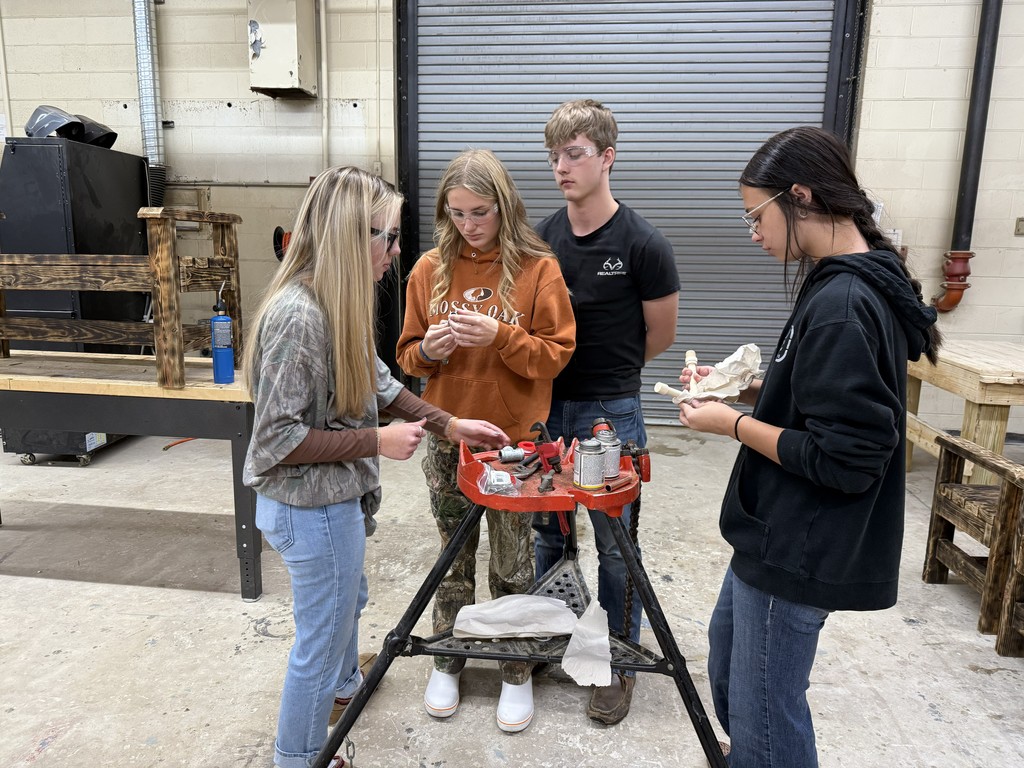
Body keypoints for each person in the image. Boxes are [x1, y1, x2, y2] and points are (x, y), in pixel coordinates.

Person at [676, 126, 941, 767]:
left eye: (757, 216)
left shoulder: (844, 301)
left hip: (800, 543)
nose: (754, 234)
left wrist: (728, 425)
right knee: (733, 672)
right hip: (771, 532)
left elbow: (846, 458)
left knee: (767, 720)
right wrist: (748, 391)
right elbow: (824, 393)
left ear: (800, 196)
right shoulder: (836, 281)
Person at [243, 166, 509, 768]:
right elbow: (277, 439)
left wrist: (450, 424)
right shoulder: (299, 317)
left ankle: (342, 687)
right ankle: (300, 756)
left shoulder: (339, 302)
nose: (395, 250)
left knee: (348, 602)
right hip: (308, 507)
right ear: (345, 234)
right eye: (386, 237)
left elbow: (383, 384)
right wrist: (375, 442)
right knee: (320, 639)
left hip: (332, 502)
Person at [396, 148, 575, 733]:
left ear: (504, 207)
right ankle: (448, 658)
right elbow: (404, 355)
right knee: (452, 560)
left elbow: (557, 355)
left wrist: (502, 335)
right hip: (449, 435)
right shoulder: (428, 268)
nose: (467, 226)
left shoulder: (537, 268)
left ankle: (514, 670)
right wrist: (430, 352)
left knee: (514, 565)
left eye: (478, 212)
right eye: (455, 214)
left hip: (513, 443)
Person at [531, 98, 681, 726]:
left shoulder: (643, 243)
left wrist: (610, 377)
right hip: (546, 407)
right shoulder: (541, 237)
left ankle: (617, 660)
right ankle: (557, 638)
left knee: (615, 544)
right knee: (547, 531)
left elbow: (661, 336)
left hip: (609, 411)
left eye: (575, 154)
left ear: (607, 158)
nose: (561, 167)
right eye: (554, 156)